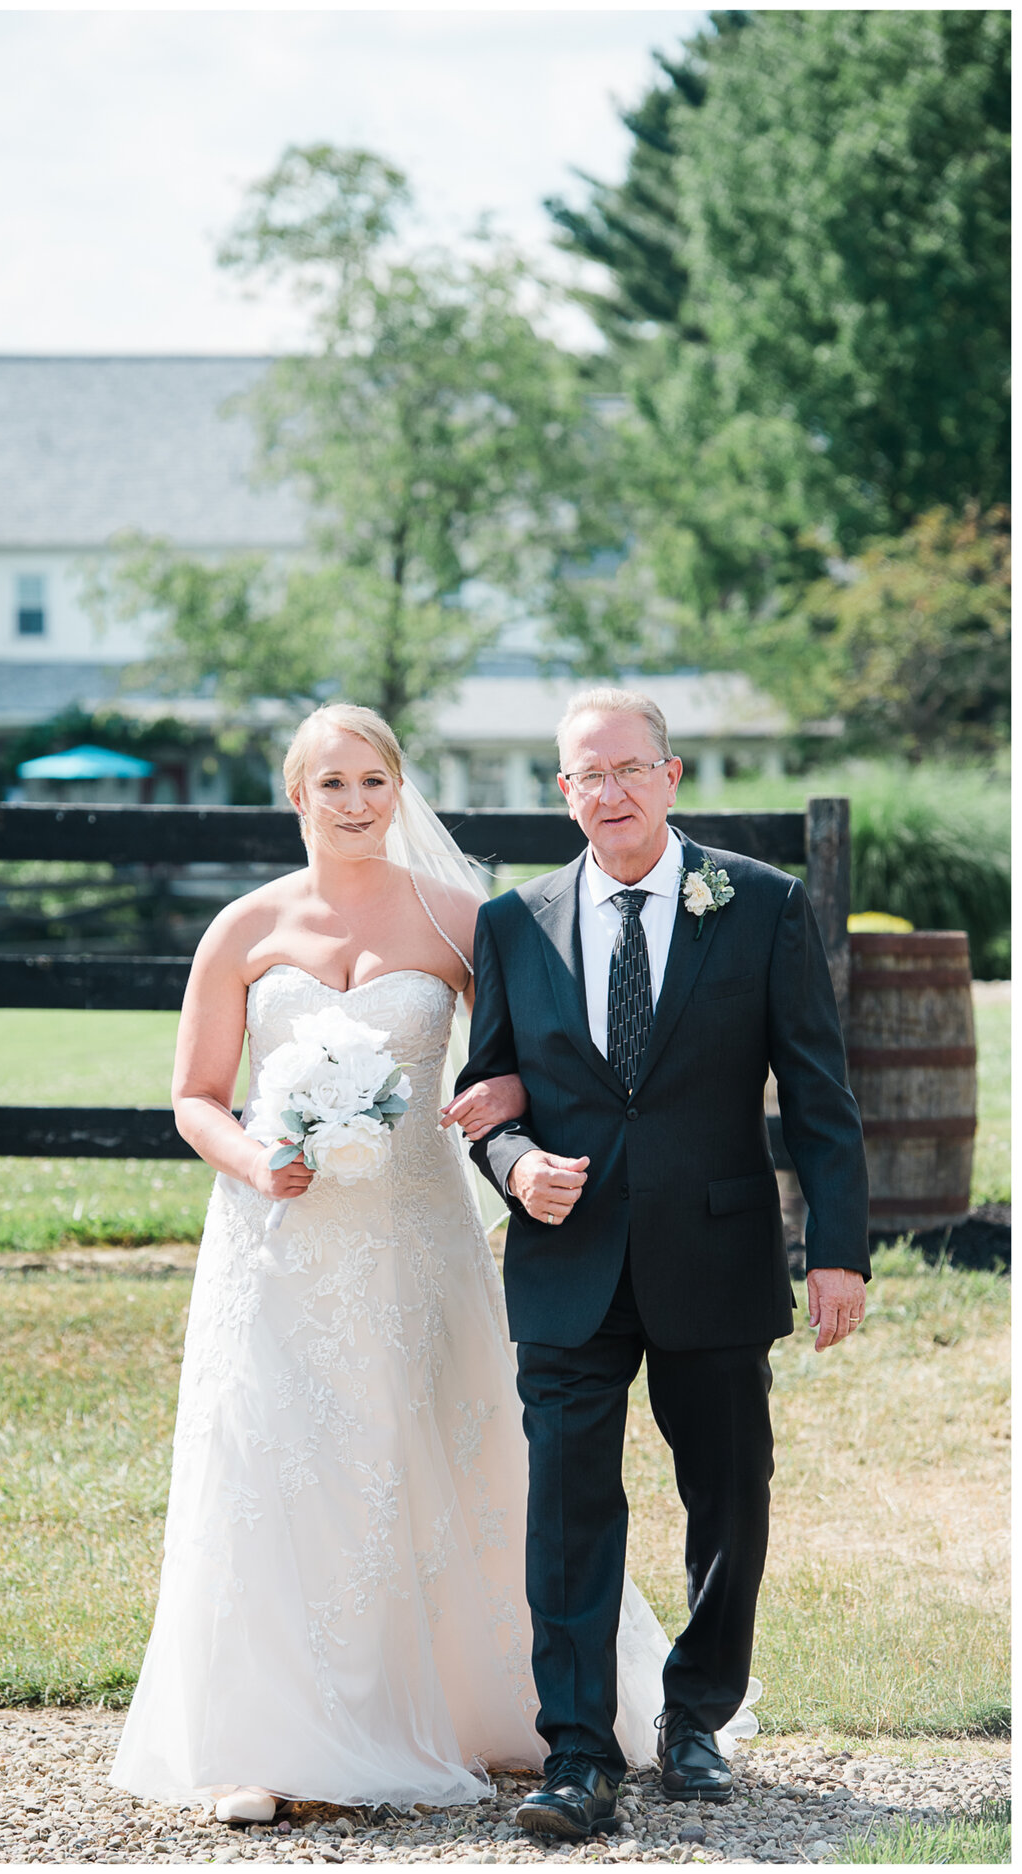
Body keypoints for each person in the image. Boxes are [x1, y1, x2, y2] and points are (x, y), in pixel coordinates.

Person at [111, 703, 735, 1824]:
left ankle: (469, 1705)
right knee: (277, 1465)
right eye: (331, 783)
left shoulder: (462, 921)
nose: (355, 802)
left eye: (373, 781)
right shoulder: (243, 929)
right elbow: (195, 1095)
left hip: (415, 1233)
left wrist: (497, 1105)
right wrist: (258, 1157)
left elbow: (516, 1063)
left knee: (434, 1448)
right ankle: (262, 1736)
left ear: (399, 791)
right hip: (282, 1237)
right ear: (296, 796)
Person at [461, 688, 866, 1840]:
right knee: (569, 1507)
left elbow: (821, 1096)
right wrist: (512, 1162)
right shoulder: (511, 923)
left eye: (632, 768)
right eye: (590, 774)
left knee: (728, 1496)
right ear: (562, 791)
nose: (613, 791)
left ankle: (695, 1716)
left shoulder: (760, 904)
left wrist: (836, 1250)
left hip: (719, 1248)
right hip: (566, 1259)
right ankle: (578, 1752)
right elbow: (489, 1097)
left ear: (672, 776)